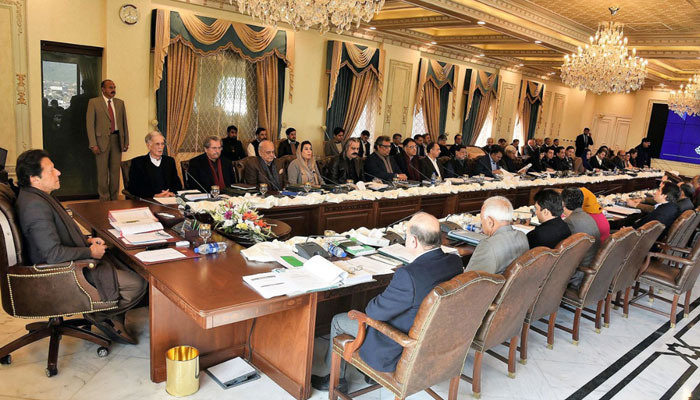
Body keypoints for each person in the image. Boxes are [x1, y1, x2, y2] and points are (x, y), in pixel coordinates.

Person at [310, 212, 462, 392]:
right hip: (433, 342)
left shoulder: (409, 276)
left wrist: (392, 286)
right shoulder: (455, 261)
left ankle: (337, 380)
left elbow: (373, 312)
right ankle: (367, 374)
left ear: (413, 241)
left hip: (397, 346)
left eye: (406, 236)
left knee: (338, 320)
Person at [15, 149, 146, 344]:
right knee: (138, 284)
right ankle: (99, 315)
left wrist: (87, 241)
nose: (58, 172)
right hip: (59, 274)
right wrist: (89, 251)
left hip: (63, 265)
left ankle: (111, 315)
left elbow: (54, 239)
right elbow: (53, 254)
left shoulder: (37, 197)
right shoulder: (35, 207)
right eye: (51, 170)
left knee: (124, 263)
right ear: (35, 179)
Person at [86, 79, 129, 201]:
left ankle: (114, 198)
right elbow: (90, 124)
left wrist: (126, 141)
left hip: (117, 140)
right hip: (101, 142)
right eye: (110, 87)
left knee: (115, 172)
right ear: (103, 89)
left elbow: (124, 123)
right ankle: (104, 198)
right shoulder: (94, 102)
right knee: (102, 172)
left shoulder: (120, 103)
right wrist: (93, 143)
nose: (113, 90)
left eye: (114, 87)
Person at [465, 196, 529, 274]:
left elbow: (469, 278)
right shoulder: (522, 236)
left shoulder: (488, 245)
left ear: (490, 222)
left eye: (482, 219)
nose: (481, 223)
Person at [561, 188, 601, 287]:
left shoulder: (569, 222)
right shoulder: (588, 217)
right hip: (593, 269)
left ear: (562, 203)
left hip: (580, 274)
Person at [127, 132, 182, 198]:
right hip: (149, 200)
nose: (160, 147)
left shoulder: (169, 161)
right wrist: (154, 195)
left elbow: (177, 184)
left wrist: (172, 193)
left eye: (162, 144)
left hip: (169, 198)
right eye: (157, 144)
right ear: (149, 146)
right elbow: (133, 187)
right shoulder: (138, 163)